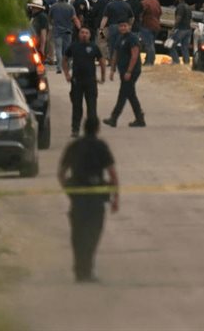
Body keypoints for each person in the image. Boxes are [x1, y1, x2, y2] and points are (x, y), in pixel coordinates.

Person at [57, 117, 119, 283]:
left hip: (78, 198)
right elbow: (113, 174)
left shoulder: (74, 146)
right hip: (96, 198)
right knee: (93, 234)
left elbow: (61, 173)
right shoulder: (101, 146)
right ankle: (87, 269)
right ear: (98, 129)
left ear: (84, 128)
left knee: (77, 234)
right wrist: (115, 199)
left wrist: (69, 190)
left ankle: (80, 269)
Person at [63, 27, 107, 137]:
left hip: (90, 81)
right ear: (79, 34)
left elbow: (102, 61)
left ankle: (92, 131)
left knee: (92, 108)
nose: (84, 35)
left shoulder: (93, 47)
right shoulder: (74, 46)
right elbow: (65, 59)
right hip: (76, 81)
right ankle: (75, 129)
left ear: (90, 35)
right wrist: (67, 74)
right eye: (82, 32)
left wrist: (102, 76)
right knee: (76, 107)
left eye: (86, 33)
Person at [104, 20, 145, 128]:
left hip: (132, 71)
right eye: (121, 26)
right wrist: (112, 70)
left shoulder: (132, 38)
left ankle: (114, 118)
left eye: (125, 26)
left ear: (129, 27)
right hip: (123, 70)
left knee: (123, 94)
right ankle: (140, 119)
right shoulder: (120, 38)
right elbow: (115, 54)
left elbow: (134, 55)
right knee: (130, 94)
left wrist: (129, 71)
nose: (123, 28)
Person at [100, 0, 134, 64]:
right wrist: (129, 26)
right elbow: (132, 18)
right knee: (122, 44)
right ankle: (120, 61)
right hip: (123, 27)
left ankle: (112, 61)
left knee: (112, 44)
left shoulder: (110, 5)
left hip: (113, 27)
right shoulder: (127, 5)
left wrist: (101, 29)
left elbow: (105, 18)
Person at [49, 0, 79, 73]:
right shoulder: (70, 7)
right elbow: (74, 18)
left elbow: (50, 18)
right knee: (67, 49)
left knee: (58, 49)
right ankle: (67, 65)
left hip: (57, 30)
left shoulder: (53, 6)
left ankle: (59, 67)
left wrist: (53, 24)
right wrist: (79, 28)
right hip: (67, 30)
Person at [168, 0, 193, 65]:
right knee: (185, 48)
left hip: (181, 29)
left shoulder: (180, 7)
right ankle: (186, 63)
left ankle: (176, 61)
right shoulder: (188, 7)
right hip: (188, 29)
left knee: (171, 45)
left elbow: (178, 18)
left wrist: (174, 28)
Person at [139, 0, 162, 66]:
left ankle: (150, 62)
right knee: (151, 43)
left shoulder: (144, 3)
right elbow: (160, 12)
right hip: (156, 26)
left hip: (147, 25)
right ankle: (148, 60)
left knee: (148, 45)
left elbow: (141, 14)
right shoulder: (156, 1)